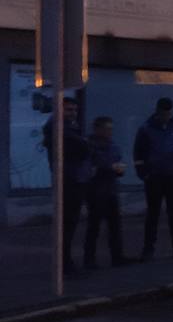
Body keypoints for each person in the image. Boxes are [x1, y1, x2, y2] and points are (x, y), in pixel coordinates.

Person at [134, 97, 173, 260]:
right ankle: (148, 249)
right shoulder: (146, 129)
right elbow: (138, 153)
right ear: (158, 112)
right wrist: (143, 174)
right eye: (164, 113)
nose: (166, 116)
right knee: (153, 213)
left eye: (168, 113)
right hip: (154, 176)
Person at [42, 96, 91, 272]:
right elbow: (81, 148)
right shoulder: (57, 128)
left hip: (75, 177)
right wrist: (84, 144)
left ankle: (66, 262)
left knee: (70, 222)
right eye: (69, 110)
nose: (73, 113)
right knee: (67, 222)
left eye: (75, 110)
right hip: (67, 179)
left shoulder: (70, 127)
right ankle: (64, 264)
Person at [84, 116, 131, 268]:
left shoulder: (113, 146)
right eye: (106, 128)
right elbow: (89, 168)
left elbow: (116, 163)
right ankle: (89, 259)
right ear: (97, 129)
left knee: (115, 225)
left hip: (111, 189)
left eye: (110, 129)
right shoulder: (89, 146)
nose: (109, 132)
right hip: (96, 190)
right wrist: (108, 168)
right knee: (94, 226)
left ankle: (117, 256)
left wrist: (119, 170)